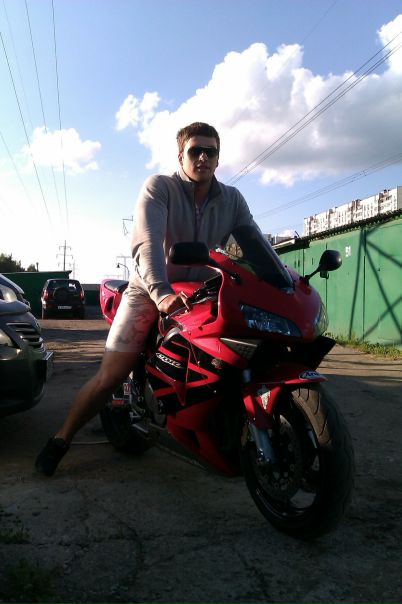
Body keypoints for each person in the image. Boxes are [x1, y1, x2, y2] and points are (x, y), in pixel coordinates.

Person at [35, 121, 256, 476]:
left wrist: (276, 279)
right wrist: (162, 293)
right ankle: (61, 438)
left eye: (210, 151)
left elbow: (253, 245)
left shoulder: (232, 199)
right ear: (181, 156)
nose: (202, 157)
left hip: (201, 291)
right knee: (111, 375)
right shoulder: (160, 187)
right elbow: (147, 242)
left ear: (218, 158)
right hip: (150, 289)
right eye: (195, 151)